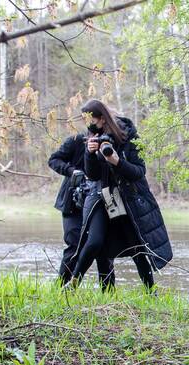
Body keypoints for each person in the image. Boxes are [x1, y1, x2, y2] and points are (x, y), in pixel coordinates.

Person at [66, 99, 172, 290]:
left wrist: (116, 161)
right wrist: (90, 155)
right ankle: (72, 284)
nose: (91, 125)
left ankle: (151, 291)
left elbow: (139, 171)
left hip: (127, 197)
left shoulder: (128, 134)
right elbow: (93, 175)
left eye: (94, 121)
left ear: (103, 118)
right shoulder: (92, 136)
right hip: (100, 197)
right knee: (94, 242)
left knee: (137, 247)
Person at [48, 132, 113, 284]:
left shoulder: (109, 143)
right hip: (73, 204)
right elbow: (53, 160)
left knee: (103, 249)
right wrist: (71, 171)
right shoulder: (76, 141)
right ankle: (61, 288)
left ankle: (108, 292)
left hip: (100, 203)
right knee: (74, 245)